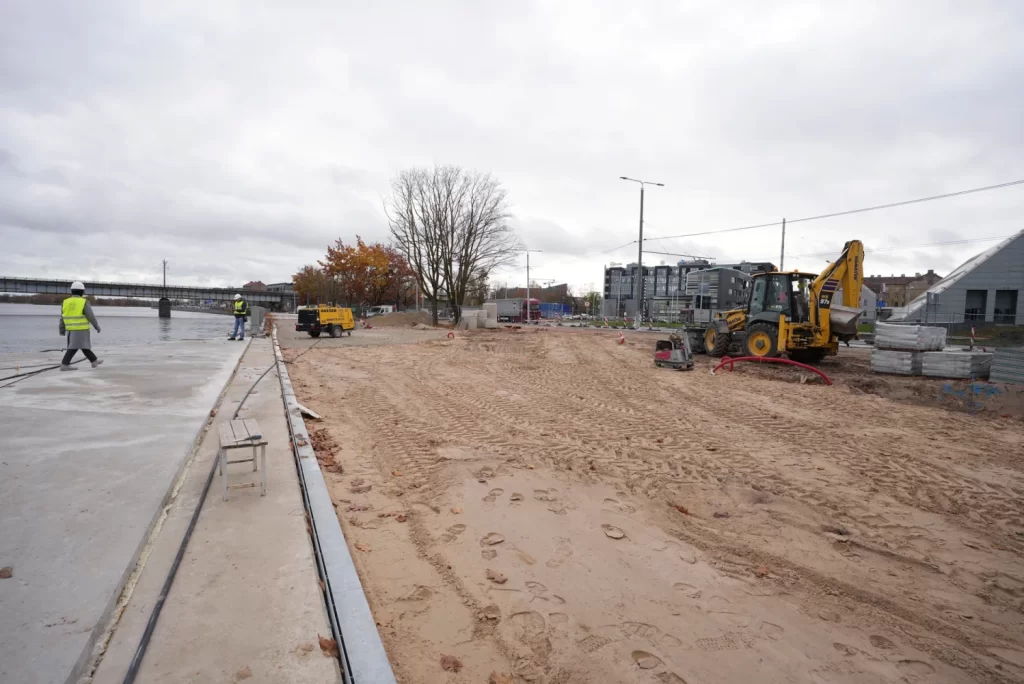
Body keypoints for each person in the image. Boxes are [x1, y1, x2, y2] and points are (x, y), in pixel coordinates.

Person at [59, 281, 103, 371]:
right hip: (81, 328)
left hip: (71, 329)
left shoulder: (65, 302)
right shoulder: (83, 302)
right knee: (74, 347)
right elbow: (91, 316)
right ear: (82, 292)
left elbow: (62, 317)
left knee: (83, 346)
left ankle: (94, 361)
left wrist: (62, 329)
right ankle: (64, 364)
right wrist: (97, 326)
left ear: (72, 291)